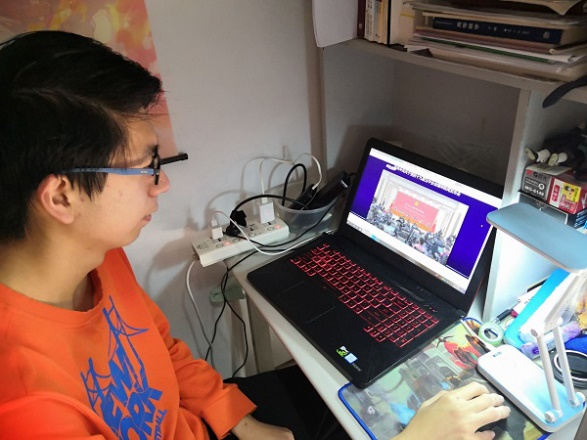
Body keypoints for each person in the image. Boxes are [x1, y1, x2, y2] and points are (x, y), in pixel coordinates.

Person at [0, 30, 510, 439]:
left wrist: (239, 420)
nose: (163, 183)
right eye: (147, 166)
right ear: (61, 197)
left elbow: (162, 351)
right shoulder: (29, 407)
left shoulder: (98, 256)